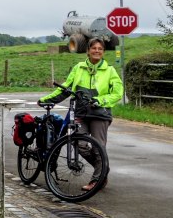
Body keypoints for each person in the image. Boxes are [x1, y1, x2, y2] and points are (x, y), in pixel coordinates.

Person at [39, 37, 123, 190]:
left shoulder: (110, 70)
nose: (97, 51)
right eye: (94, 48)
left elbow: (117, 93)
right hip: (81, 113)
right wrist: (47, 99)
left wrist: (100, 100)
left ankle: (97, 179)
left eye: (100, 49)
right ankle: (103, 170)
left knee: (99, 147)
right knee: (80, 144)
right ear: (88, 50)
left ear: (103, 52)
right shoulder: (78, 68)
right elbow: (65, 88)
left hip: (100, 114)